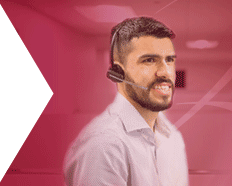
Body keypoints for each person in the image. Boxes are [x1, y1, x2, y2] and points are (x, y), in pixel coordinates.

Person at [63, 17, 189, 186]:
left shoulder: (171, 137)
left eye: (169, 60)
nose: (165, 72)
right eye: (149, 60)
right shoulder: (105, 145)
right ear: (118, 72)